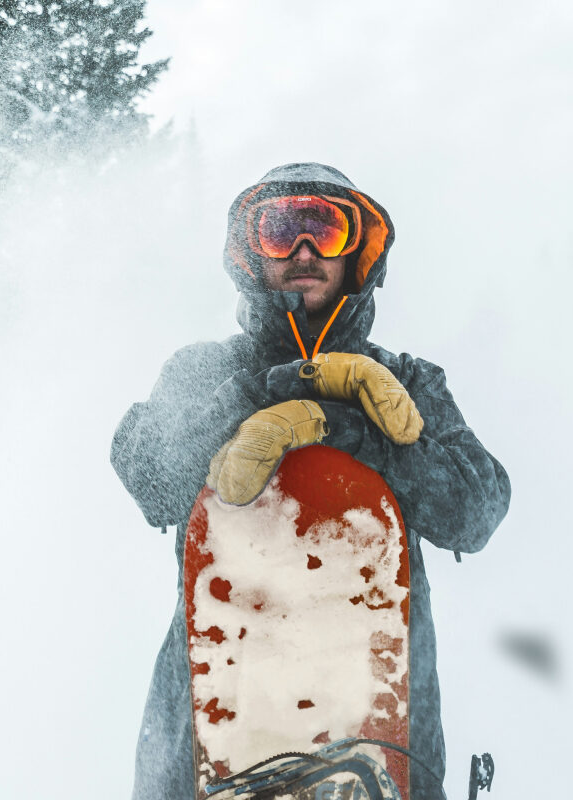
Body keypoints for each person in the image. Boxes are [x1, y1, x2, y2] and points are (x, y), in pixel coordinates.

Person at [111, 162, 511, 799]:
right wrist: (255, 394)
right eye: (280, 230)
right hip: (206, 730)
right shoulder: (205, 370)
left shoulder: (410, 383)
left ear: (358, 252)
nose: (303, 250)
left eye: (325, 229)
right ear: (252, 254)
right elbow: (149, 476)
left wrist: (354, 434)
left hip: (387, 728)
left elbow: (477, 509)